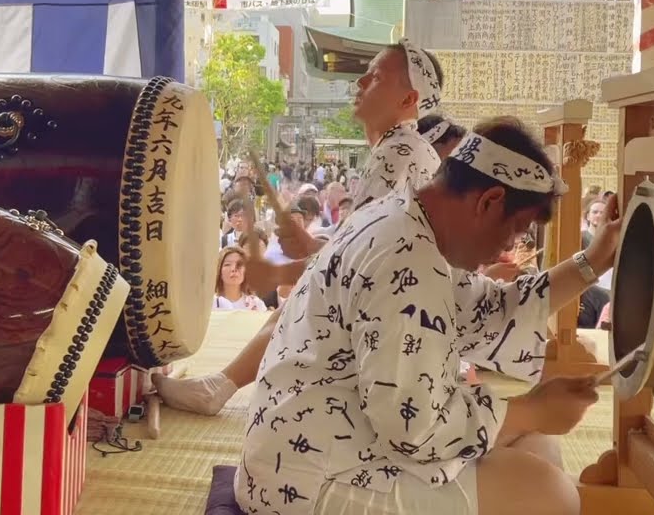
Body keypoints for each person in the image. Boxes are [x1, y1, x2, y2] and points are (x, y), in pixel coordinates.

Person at [234, 118, 618, 515]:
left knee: (539, 447)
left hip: (326, 437)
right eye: (517, 229)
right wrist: (532, 409)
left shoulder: (407, 217)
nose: (512, 244)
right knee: (549, 495)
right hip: (305, 477)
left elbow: (489, 311)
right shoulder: (409, 257)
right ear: (488, 201)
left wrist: (593, 261)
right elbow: (412, 430)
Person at [155, 42, 448, 415]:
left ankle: (222, 388)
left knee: (305, 301)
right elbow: (364, 248)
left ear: (409, 99)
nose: (359, 82)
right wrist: (311, 244)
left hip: (392, 318)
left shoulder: (401, 152)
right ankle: (221, 386)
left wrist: (281, 269)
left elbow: (359, 261)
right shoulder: (400, 149)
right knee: (299, 302)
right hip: (391, 307)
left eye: (375, 76)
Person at [213, 247, 268, 312]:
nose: (233, 269)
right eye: (227, 264)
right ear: (219, 270)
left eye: (239, 264)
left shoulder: (257, 304)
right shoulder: (210, 304)